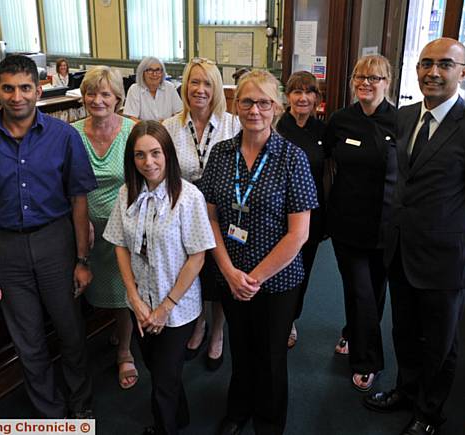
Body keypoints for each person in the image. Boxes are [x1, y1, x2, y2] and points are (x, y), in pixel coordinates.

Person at [364, 38, 465, 435]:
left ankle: (429, 413)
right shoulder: (405, 116)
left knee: (441, 344)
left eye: (445, 65)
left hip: (448, 260)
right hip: (402, 251)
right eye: (426, 63)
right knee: (404, 332)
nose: (433, 72)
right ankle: (405, 390)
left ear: (463, 72)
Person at [0, 55, 96, 418]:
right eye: (9, 88)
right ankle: (51, 415)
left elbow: (79, 202)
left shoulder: (64, 136)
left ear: (38, 89)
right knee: (28, 342)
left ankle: (81, 408)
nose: (17, 97)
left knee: (71, 333)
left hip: (55, 243)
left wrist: (82, 260)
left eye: (25, 87)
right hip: (6, 248)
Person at [200, 70, 317, 434]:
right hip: (231, 274)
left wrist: (254, 279)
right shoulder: (220, 154)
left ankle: (268, 421)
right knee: (241, 346)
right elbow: (211, 219)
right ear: (236, 106)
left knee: (269, 356)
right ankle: (239, 408)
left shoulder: (291, 158)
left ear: (276, 108)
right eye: (247, 102)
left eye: (264, 102)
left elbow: (299, 234)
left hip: (276, 280)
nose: (255, 110)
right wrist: (230, 272)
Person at [103, 121, 215, 435]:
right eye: (140, 155)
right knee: (156, 368)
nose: (148, 162)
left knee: (164, 381)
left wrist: (165, 307)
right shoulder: (127, 192)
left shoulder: (188, 196)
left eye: (155, 153)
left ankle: (165, 428)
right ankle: (180, 417)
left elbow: (198, 257)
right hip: (140, 303)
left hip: (176, 308)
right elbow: (120, 246)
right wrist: (135, 298)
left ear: (168, 154)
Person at [324, 55, 397, 391]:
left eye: (375, 77)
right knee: (360, 288)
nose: (366, 83)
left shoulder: (400, 121)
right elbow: (322, 160)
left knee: (375, 289)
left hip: (385, 225)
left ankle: (353, 333)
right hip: (346, 222)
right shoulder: (340, 120)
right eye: (360, 77)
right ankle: (368, 360)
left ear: (387, 82)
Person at [163, 57, 240, 370]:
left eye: (207, 83)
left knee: (219, 274)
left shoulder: (233, 124)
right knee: (192, 274)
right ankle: (197, 324)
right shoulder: (170, 127)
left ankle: (217, 330)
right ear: (185, 86)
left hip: (223, 214)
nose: (200, 89)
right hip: (183, 215)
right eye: (194, 82)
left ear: (217, 88)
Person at [72, 66, 138, 389]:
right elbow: (64, 182)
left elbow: (142, 181)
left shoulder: (132, 131)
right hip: (82, 225)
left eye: (105, 94)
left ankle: (125, 350)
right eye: (90, 93)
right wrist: (80, 224)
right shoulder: (70, 134)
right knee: (83, 290)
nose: (97, 100)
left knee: (123, 292)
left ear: (117, 99)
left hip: (122, 227)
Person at [276, 70, 326, 350]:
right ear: (288, 97)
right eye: (297, 91)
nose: (303, 97)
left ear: (317, 98)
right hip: (277, 214)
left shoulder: (323, 130)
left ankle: (290, 318)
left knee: (301, 271)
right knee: (276, 268)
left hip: (311, 216)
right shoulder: (277, 127)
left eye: (309, 92)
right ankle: (273, 316)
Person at [123, 56, 183, 121]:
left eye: (158, 70)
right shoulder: (134, 90)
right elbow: (132, 119)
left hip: (168, 129)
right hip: (143, 130)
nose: (154, 74)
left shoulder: (170, 87)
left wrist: (167, 124)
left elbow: (179, 113)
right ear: (142, 73)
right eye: (150, 70)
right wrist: (154, 128)